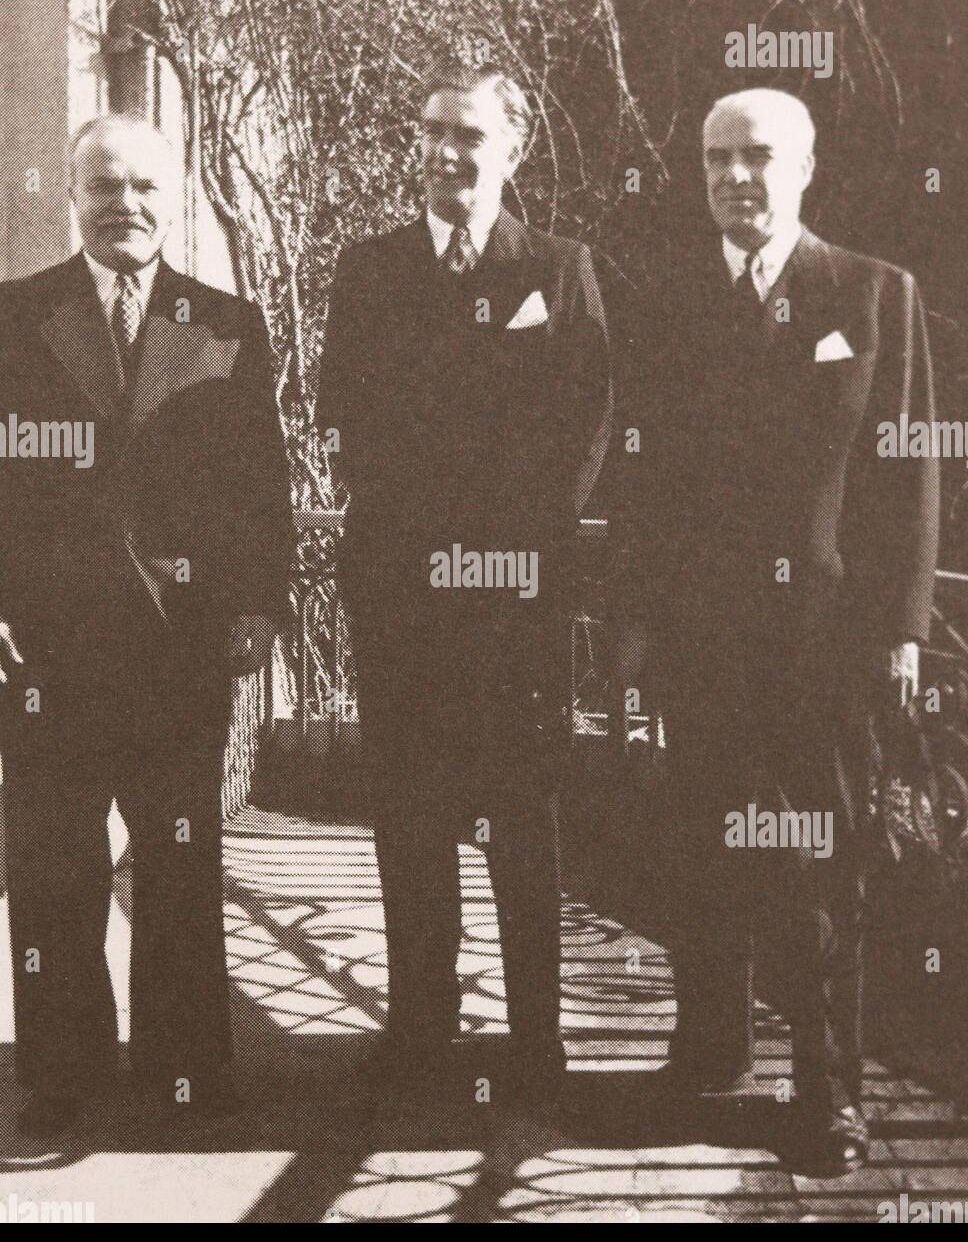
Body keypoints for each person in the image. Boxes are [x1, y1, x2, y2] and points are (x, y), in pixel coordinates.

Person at [611, 88, 938, 1173]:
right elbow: (641, 481)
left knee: (820, 865)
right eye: (715, 160)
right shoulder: (663, 302)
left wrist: (898, 628)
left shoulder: (873, 295)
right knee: (700, 849)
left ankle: (825, 1089)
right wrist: (633, 624)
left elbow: (905, 476)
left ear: (804, 170)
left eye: (756, 158)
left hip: (824, 643)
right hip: (702, 641)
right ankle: (707, 1053)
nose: (734, 179)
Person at [317, 62, 611, 1096]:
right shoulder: (369, 268)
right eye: (434, 132)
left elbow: (585, 426)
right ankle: (419, 1032)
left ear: (511, 147)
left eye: (469, 135)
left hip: (515, 600)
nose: (448, 153)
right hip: (402, 593)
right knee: (409, 814)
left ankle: (536, 1036)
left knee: (520, 820)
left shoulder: (559, 268)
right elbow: (344, 415)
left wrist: (512, 549)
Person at [0, 114, 292, 1143]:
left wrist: (259, 601)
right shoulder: (14, 315)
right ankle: (63, 1072)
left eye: (143, 188)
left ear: (173, 199)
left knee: (177, 858)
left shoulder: (225, 323)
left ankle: (183, 1073)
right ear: (70, 195)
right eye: (103, 186)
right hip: (44, 651)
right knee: (51, 868)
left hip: (179, 645)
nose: (124, 205)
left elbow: (262, 481)